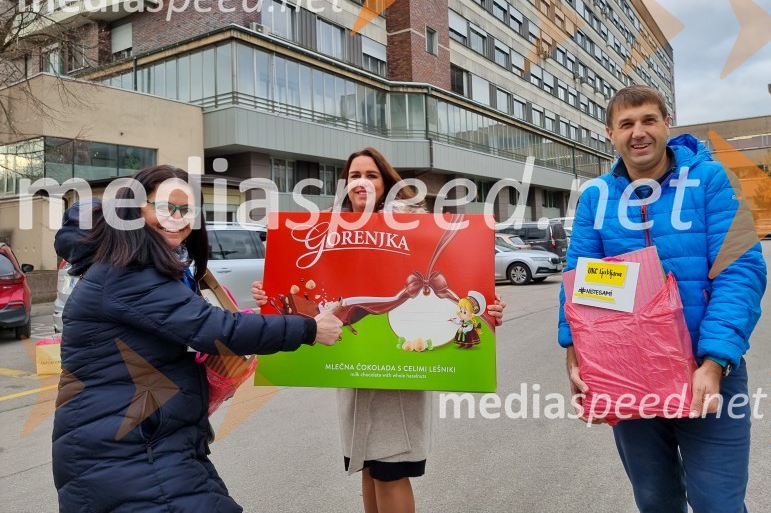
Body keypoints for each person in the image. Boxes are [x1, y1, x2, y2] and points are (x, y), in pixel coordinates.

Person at [52, 165, 343, 513]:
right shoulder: (126, 271)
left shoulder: (144, 264)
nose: (176, 218)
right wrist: (308, 329)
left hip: (146, 442)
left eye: (186, 209)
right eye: (163, 207)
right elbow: (215, 329)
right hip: (123, 453)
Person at [253, 147, 506, 513]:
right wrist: (267, 294)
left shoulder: (416, 230)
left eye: (371, 175)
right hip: (354, 371)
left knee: (391, 469)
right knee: (369, 465)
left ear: (386, 183)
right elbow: (307, 291)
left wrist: (486, 305)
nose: (361, 182)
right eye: (354, 175)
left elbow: (458, 282)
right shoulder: (326, 231)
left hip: (399, 375)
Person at [559, 86, 767, 513]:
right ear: (609, 134)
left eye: (649, 120)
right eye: (627, 124)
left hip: (707, 374)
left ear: (667, 124)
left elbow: (740, 272)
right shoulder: (597, 197)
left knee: (718, 504)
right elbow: (583, 288)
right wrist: (578, 359)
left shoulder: (709, 180)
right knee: (655, 501)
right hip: (631, 377)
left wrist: (713, 363)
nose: (639, 133)